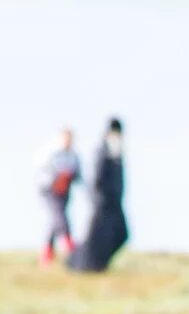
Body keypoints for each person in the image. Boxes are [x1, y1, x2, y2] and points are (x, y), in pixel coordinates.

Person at [73, 117, 129, 273]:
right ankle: (85, 265)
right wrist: (99, 200)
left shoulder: (117, 152)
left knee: (121, 234)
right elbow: (96, 179)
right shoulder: (102, 151)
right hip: (103, 203)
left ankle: (99, 264)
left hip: (115, 203)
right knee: (96, 240)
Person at [35, 128, 82, 266]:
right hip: (50, 190)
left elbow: (78, 175)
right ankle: (69, 244)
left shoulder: (74, 156)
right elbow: (42, 168)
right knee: (59, 216)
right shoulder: (51, 153)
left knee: (55, 221)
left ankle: (47, 252)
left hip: (64, 190)